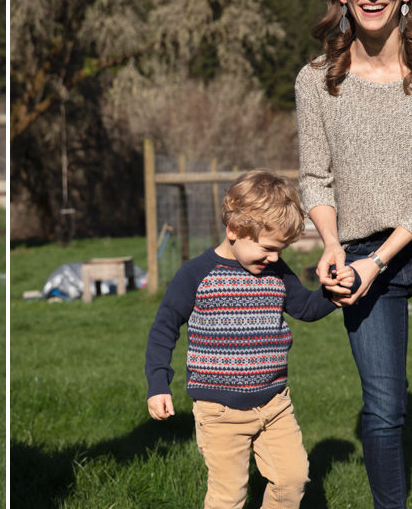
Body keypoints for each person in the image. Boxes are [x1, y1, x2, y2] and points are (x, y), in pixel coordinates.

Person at [296, 0, 412, 509]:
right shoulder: (317, 81)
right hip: (359, 251)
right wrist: (333, 246)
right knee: (384, 407)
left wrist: (378, 261)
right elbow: (315, 176)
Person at [145, 170, 359, 509]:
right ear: (234, 231)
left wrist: (332, 295)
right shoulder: (196, 274)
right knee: (228, 496)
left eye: (281, 250)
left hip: (275, 406)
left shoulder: (275, 271)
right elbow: (164, 328)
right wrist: (158, 383)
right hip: (219, 413)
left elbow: (304, 307)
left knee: (293, 480)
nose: (275, 258)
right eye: (268, 248)